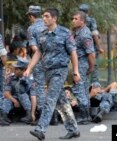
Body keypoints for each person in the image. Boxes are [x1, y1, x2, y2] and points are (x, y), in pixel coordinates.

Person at [24, 8, 81, 140]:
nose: (44, 18)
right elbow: (38, 52)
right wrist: (29, 68)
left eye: (47, 16)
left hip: (59, 71)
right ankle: (73, 129)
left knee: (50, 99)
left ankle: (41, 129)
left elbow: (73, 52)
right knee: (62, 102)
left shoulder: (65, 33)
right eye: (43, 16)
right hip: (47, 72)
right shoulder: (43, 34)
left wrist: (76, 71)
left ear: (54, 18)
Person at [71, 11, 95, 125]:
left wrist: (91, 67)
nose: (73, 21)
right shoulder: (78, 32)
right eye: (73, 18)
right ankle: (86, 115)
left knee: (79, 89)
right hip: (79, 63)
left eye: (76, 19)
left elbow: (91, 53)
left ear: (82, 21)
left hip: (81, 64)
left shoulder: (84, 34)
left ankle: (84, 115)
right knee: (83, 89)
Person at [26, 5, 47, 124]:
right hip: (53, 61)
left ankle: (42, 116)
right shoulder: (49, 26)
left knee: (40, 87)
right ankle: (54, 115)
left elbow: (34, 48)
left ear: (31, 16)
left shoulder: (31, 29)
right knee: (54, 87)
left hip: (39, 62)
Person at [3, 58, 32, 123]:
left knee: (22, 94)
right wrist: (15, 101)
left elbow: (33, 95)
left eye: (17, 69)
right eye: (14, 69)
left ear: (24, 70)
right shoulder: (11, 78)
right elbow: (6, 93)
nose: (14, 71)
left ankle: (29, 115)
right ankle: (4, 116)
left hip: (28, 100)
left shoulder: (30, 78)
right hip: (15, 99)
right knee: (7, 99)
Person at [79, 3, 103, 83]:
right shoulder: (91, 20)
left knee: (83, 68)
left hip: (81, 50)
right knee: (94, 68)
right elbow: (95, 34)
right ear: (88, 12)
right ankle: (94, 88)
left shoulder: (77, 20)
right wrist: (99, 48)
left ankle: (83, 85)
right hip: (92, 49)